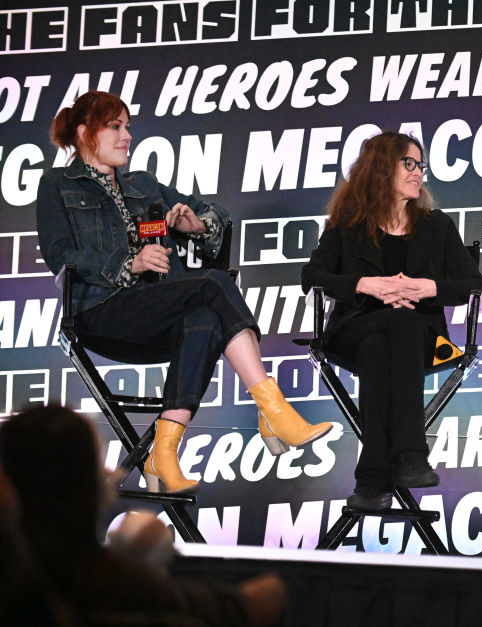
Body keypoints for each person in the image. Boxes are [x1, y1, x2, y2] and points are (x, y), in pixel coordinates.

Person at [35, 90, 331, 494]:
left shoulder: (143, 183)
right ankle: (272, 408)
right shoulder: (57, 183)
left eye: (128, 128)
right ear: (86, 134)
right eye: (116, 127)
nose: (127, 137)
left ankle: (165, 452)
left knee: (206, 319)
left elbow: (218, 217)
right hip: (101, 310)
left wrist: (197, 225)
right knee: (214, 283)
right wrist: (129, 264)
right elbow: (60, 255)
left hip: (158, 311)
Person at [301, 131, 482, 511]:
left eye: (421, 166)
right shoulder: (347, 225)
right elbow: (313, 277)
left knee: (389, 336)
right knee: (389, 327)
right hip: (353, 329)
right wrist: (368, 285)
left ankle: (371, 480)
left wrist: (424, 288)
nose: (420, 173)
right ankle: (410, 455)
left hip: (421, 342)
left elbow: (474, 284)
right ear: (382, 168)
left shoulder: (436, 226)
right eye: (410, 164)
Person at [0, 405, 287, 626]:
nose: (112, 473)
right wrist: (136, 565)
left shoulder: (22, 579)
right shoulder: (99, 578)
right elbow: (258, 602)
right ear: (85, 487)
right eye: (98, 464)